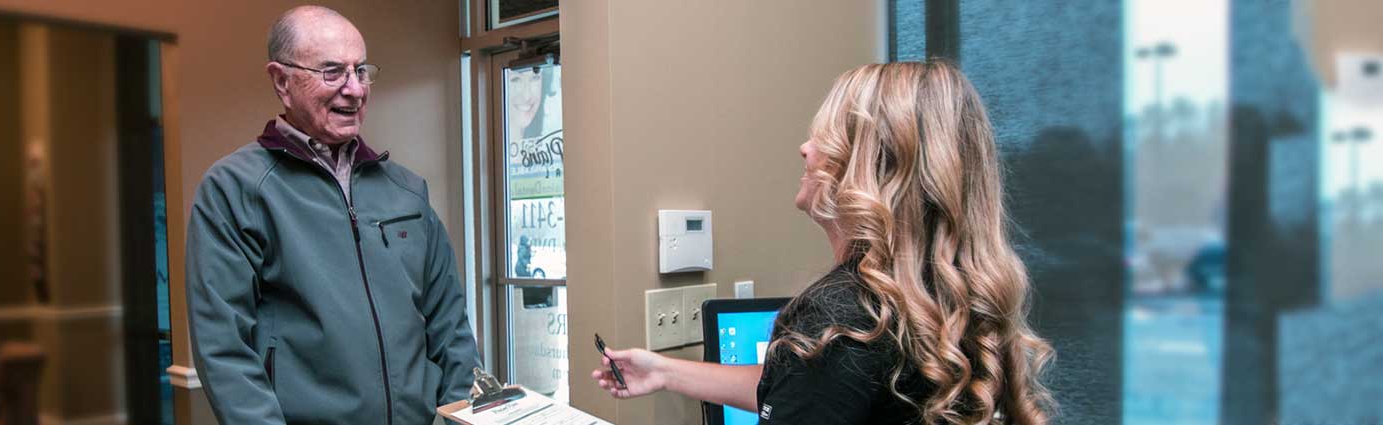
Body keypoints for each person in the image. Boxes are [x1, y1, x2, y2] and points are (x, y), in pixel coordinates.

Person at [592, 61, 1056, 424]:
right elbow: (809, 392)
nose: (806, 149)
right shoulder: (944, 298)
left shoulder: (840, 320)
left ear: (875, 165)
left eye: (827, 135)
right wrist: (666, 371)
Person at [186, 6, 479, 425]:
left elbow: (452, 331)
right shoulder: (235, 190)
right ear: (281, 81)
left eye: (360, 70)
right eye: (332, 72)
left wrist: (461, 418)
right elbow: (225, 350)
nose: (355, 89)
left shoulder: (407, 191)